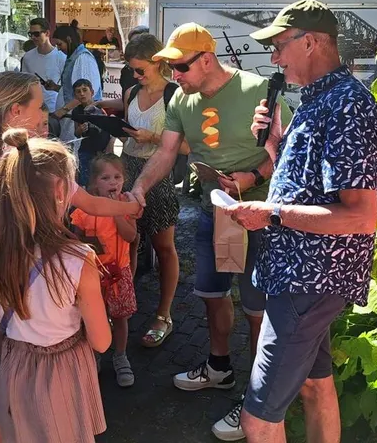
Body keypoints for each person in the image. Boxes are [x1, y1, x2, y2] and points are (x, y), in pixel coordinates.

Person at [224, 0, 377, 443]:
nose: (274, 59)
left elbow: (359, 216)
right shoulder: (320, 101)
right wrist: (275, 146)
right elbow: (307, 188)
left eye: (279, 46)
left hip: (309, 280)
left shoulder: (347, 106)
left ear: (311, 41)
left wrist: (270, 213)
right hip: (300, 275)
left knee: (257, 419)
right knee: (316, 387)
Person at [130, 23, 291, 441]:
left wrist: (253, 174)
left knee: (258, 309)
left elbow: (290, 154)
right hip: (213, 214)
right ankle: (219, 369)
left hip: (259, 216)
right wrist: (139, 188)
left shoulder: (259, 90)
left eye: (180, 66)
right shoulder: (182, 99)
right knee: (211, 294)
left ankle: (256, 399)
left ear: (206, 59)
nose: (175, 76)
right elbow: (166, 151)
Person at [0, 71, 141, 443]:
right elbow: (101, 342)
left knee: (9, 410)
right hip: (62, 359)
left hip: (16, 339)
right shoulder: (76, 261)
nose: (46, 112)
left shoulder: (6, 166)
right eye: (39, 105)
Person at [0, 128, 110, 442]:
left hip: (14, 362)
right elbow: (102, 342)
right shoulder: (78, 259)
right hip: (64, 369)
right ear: (61, 190)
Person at [120, 33, 183, 349]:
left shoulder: (177, 95)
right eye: (132, 70)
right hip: (126, 168)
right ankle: (124, 305)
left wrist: (154, 139)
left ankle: (164, 314)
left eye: (140, 69)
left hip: (158, 176)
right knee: (127, 242)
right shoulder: (131, 92)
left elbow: (188, 146)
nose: (135, 76)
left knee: (164, 247)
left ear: (159, 63)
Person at [71, 154, 137, 388]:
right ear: (94, 183)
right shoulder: (84, 209)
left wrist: (117, 211)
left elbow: (130, 236)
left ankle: (120, 356)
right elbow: (76, 239)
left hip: (119, 272)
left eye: (117, 177)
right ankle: (93, 355)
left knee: (120, 317)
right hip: (92, 275)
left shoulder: (127, 206)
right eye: (105, 177)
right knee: (90, 316)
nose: (112, 182)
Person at [51, 25, 101, 149]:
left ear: (68, 39)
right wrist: (56, 88)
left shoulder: (83, 58)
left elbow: (84, 93)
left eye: (60, 44)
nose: (58, 48)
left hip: (77, 118)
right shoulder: (75, 57)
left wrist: (62, 111)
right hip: (71, 116)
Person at [20, 17, 65, 114]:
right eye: (30, 34)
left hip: (54, 109)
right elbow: (24, 83)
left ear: (47, 33)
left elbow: (66, 86)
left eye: (36, 34)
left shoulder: (60, 57)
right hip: (33, 108)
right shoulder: (28, 57)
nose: (33, 37)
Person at [72, 79, 112, 186]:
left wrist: (110, 147)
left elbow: (112, 129)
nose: (82, 94)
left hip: (103, 150)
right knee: (86, 181)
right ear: (75, 96)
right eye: (78, 91)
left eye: (85, 90)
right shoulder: (76, 111)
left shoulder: (102, 107)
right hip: (86, 150)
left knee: (104, 180)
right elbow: (76, 133)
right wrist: (80, 130)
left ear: (92, 92)